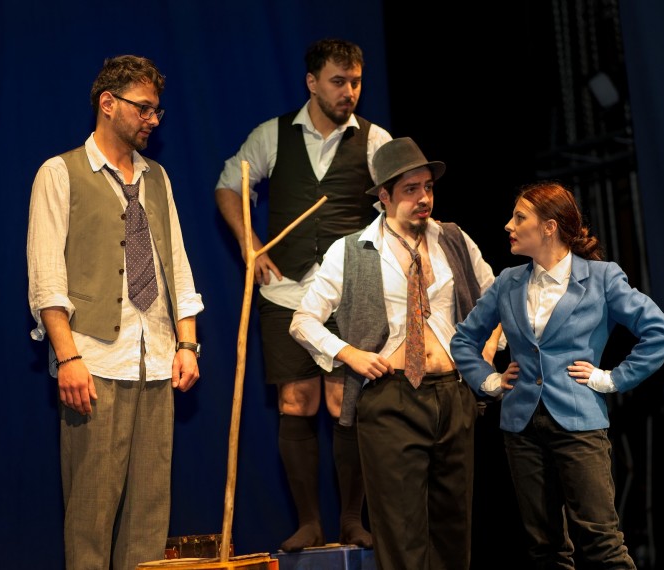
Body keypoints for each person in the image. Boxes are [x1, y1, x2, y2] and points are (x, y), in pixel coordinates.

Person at [27, 55, 204, 570]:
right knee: (91, 517)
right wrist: (68, 358)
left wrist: (187, 343)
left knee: (149, 516)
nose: (152, 120)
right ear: (108, 103)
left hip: (157, 360)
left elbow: (177, 266)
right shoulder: (60, 173)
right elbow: (46, 279)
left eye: (156, 111)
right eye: (143, 108)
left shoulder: (157, 178)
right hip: (96, 364)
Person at [290, 137, 501, 570]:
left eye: (428, 187)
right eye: (410, 189)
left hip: (453, 394)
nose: (423, 198)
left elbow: (498, 300)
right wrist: (348, 353)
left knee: (453, 530)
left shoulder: (453, 239)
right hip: (391, 398)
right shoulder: (352, 250)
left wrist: (487, 351)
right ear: (384, 196)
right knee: (402, 534)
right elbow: (303, 320)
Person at [214, 38, 391, 551]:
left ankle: (351, 521)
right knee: (296, 401)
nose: (349, 92)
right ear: (312, 83)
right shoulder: (272, 135)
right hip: (285, 292)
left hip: (348, 295)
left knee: (343, 404)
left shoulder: (375, 140)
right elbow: (228, 185)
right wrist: (249, 245)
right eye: (338, 81)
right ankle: (310, 522)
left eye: (356, 82)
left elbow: (399, 203)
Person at [450, 180, 664, 568]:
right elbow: (463, 340)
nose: (508, 225)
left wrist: (611, 379)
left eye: (519, 217)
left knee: (602, 542)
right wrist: (489, 381)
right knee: (545, 548)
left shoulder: (601, 277)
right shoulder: (508, 282)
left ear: (549, 227)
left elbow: (662, 333)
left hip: (578, 422)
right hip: (521, 427)